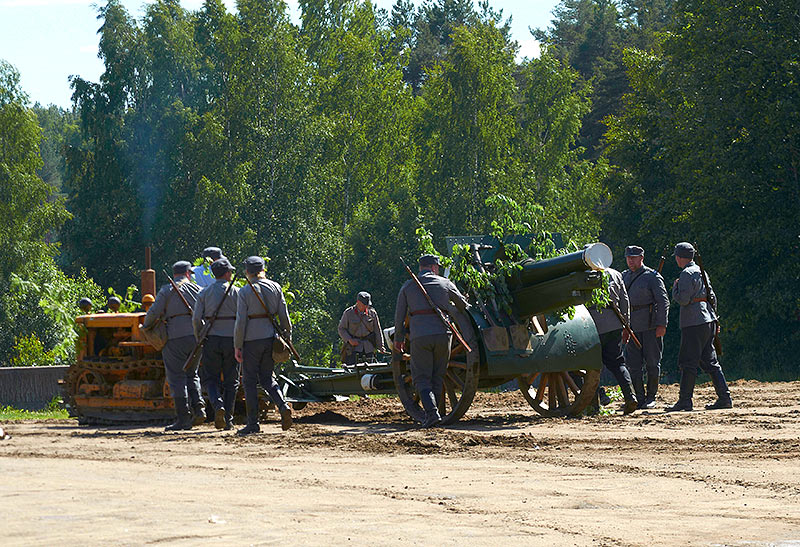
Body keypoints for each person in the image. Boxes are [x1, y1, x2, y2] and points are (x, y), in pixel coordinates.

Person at [393, 254, 469, 428]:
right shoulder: (445, 283)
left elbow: (399, 317)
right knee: (437, 375)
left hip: (420, 336)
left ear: (421, 268)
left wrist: (399, 339)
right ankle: (433, 415)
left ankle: (432, 413)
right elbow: (463, 306)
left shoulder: (407, 286)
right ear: (434, 268)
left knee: (421, 378)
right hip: (444, 336)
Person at [665, 242, 732, 411]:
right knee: (710, 361)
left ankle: (685, 401)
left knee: (688, 362)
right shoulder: (702, 271)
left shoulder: (686, 274)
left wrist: (675, 289)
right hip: (707, 319)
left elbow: (683, 299)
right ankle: (724, 398)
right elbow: (712, 296)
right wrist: (715, 320)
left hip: (693, 321)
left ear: (679, 258)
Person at [233, 256, 293, 434]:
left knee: (249, 382)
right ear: (263, 269)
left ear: (247, 271)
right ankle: (282, 406)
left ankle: (253, 423)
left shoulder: (244, 291)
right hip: (271, 339)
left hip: (251, 341)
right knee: (268, 378)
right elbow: (284, 316)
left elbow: (241, 322)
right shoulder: (275, 286)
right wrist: (287, 337)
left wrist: (237, 345)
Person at [143, 260, 204, 431]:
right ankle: (199, 409)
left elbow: (154, 312)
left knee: (177, 377)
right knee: (193, 373)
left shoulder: (166, 290)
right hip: (195, 337)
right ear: (187, 274)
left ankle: (183, 419)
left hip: (174, 337)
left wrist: (145, 326)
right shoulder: (197, 289)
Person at [192, 258, 240, 430]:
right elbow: (242, 319)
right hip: (232, 340)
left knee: (210, 378)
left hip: (211, 339)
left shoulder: (204, 293)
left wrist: (200, 336)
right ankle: (228, 419)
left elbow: (197, 319)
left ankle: (217, 404)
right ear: (227, 274)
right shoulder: (236, 292)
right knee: (231, 381)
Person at [621, 245, 669, 408]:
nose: (630, 261)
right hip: (631, 326)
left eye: (634, 258)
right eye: (628, 258)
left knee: (652, 363)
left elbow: (663, 302)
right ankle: (639, 398)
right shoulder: (624, 276)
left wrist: (662, 324)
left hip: (650, 325)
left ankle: (651, 397)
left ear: (641, 258)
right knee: (633, 365)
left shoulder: (652, 276)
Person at [588, 266, 638, 415]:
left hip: (592, 326)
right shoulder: (616, 274)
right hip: (615, 324)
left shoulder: (584, 274)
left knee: (590, 365)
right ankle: (631, 397)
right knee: (618, 363)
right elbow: (625, 301)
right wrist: (626, 326)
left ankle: (594, 404)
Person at [338, 291, 385, 365]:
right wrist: (349, 340)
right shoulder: (348, 313)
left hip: (368, 348)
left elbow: (377, 330)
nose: (366, 306)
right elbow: (341, 329)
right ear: (358, 302)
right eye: (364, 304)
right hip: (354, 349)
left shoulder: (372, 313)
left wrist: (381, 346)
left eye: (367, 305)